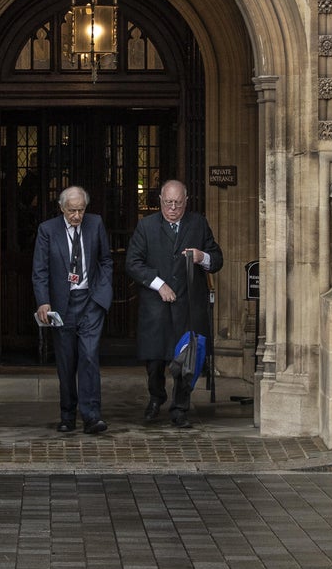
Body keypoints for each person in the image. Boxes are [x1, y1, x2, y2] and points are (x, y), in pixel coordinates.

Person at [124, 179, 223, 428]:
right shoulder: (146, 227)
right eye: (168, 202)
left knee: (186, 360)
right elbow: (133, 263)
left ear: (186, 202)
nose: (173, 208)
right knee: (155, 361)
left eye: (178, 203)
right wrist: (159, 284)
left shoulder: (198, 224)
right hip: (156, 307)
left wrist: (203, 257)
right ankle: (156, 398)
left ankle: (180, 408)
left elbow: (218, 259)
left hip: (188, 305)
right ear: (160, 201)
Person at [33, 185, 113, 434]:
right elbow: (40, 270)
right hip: (62, 304)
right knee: (66, 362)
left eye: (80, 210)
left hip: (90, 301)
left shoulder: (95, 223)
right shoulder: (48, 230)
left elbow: (106, 259)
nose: (76, 216)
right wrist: (43, 302)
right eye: (71, 211)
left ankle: (92, 416)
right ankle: (67, 415)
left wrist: (102, 292)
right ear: (61, 208)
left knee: (89, 357)